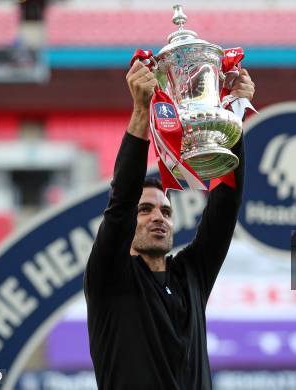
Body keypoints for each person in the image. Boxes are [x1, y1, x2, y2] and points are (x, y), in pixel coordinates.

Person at [84, 59, 255, 389]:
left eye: (165, 211)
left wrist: (232, 117)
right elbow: (120, 205)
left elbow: (225, 205)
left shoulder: (191, 275)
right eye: (145, 210)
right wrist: (140, 113)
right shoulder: (109, 276)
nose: (158, 216)